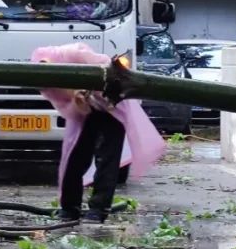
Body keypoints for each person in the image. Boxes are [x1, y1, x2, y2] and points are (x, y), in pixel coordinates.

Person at [32, 43, 166, 223]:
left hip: (112, 104)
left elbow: (105, 66)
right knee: (75, 155)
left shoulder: (70, 54)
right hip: (85, 110)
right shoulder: (47, 87)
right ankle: (69, 207)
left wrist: (91, 90)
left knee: (107, 157)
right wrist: (79, 103)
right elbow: (66, 107)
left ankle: (99, 208)